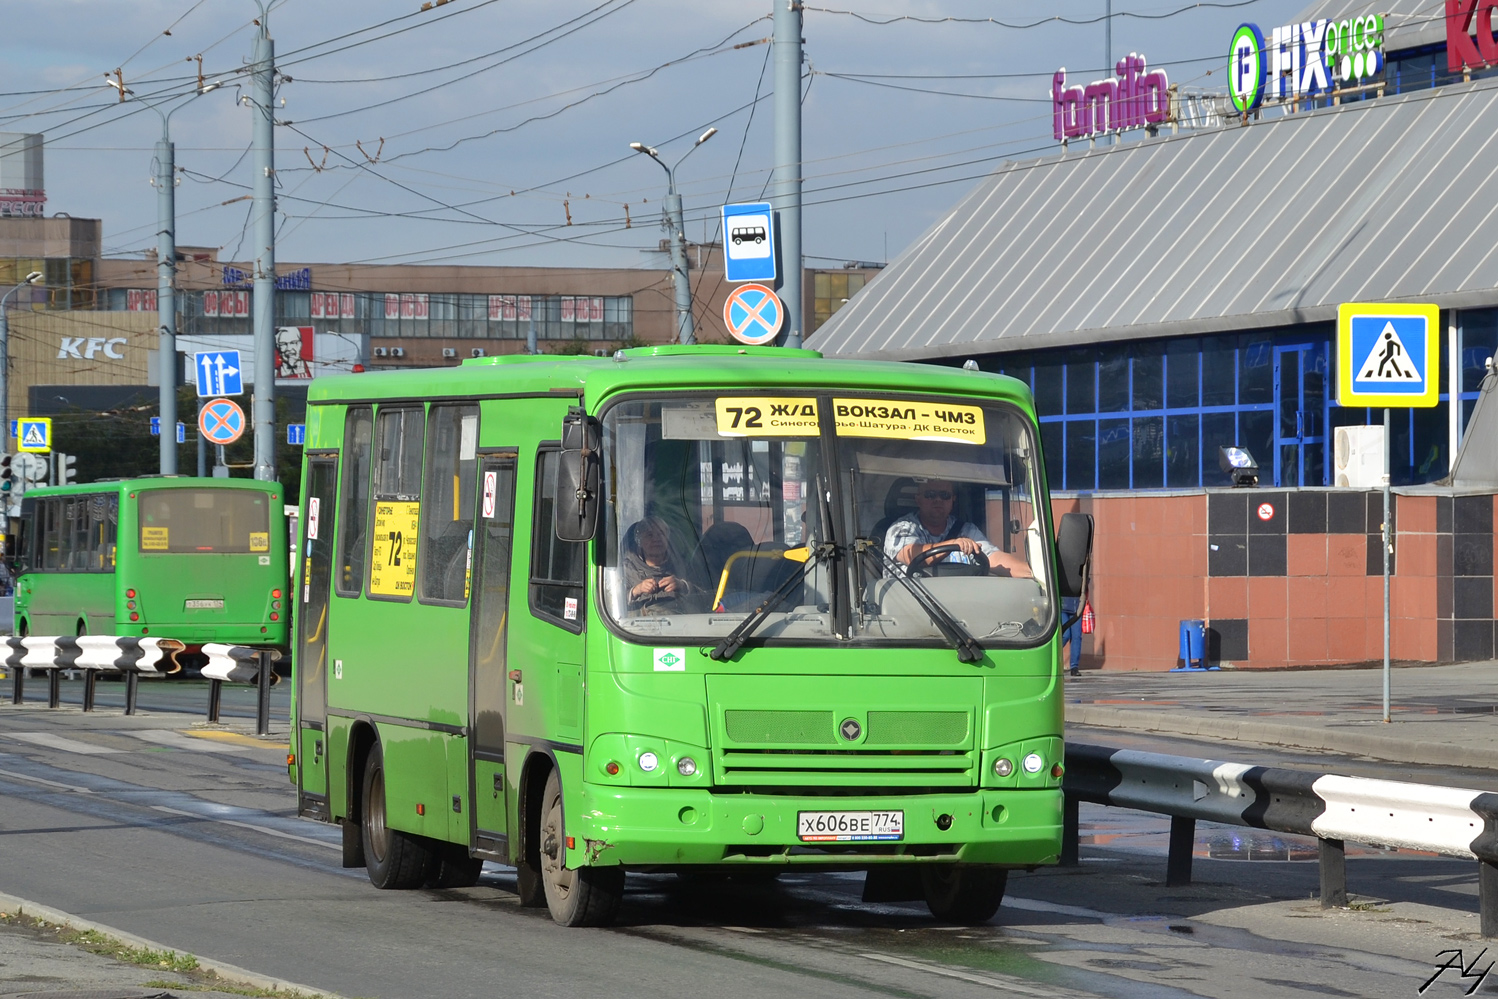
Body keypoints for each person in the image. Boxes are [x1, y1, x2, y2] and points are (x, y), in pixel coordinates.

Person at [883, 478, 1032, 577]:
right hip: (908, 610)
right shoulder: (901, 529)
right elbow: (913, 555)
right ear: (918, 499)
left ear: (953, 500)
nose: (937, 500)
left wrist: (1035, 572)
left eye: (944, 495)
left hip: (960, 612)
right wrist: (952, 544)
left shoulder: (966, 530)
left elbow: (993, 558)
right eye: (930, 494)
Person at [622, 516, 698, 613]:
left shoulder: (683, 565)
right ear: (639, 541)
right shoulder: (626, 569)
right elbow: (609, 602)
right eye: (650, 535)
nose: (656, 539)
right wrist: (637, 590)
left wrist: (683, 585)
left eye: (661, 533)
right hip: (636, 626)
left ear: (667, 537)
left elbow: (707, 596)